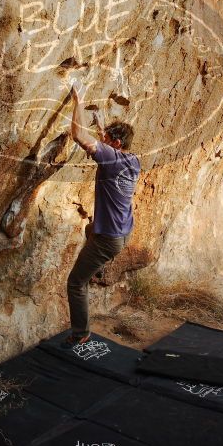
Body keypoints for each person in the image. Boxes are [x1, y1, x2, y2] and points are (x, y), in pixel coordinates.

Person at [63, 83, 140, 348]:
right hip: (121, 231)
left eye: (106, 138)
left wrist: (79, 100)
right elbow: (107, 147)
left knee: (75, 282)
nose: (102, 141)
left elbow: (78, 136)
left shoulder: (110, 158)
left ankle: (80, 333)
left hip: (109, 239)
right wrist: (101, 125)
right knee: (90, 229)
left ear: (115, 144)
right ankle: (98, 264)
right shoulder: (132, 160)